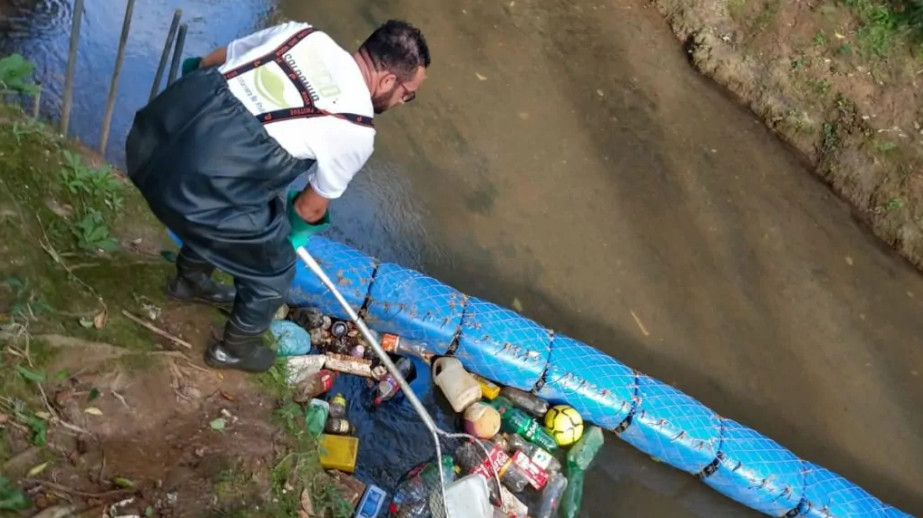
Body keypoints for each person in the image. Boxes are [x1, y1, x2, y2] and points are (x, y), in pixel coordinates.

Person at [125, 19, 430, 373]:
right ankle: (234, 349)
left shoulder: (302, 33)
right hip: (185, 191)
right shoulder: (355, 129)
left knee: (248, 205)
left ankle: (189, 281)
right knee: (275, 266)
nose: (403, 101)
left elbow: (210, 62)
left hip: (150, 139)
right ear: (389, 81)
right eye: (408, 95)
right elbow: (309, 208)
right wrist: (284, 242)